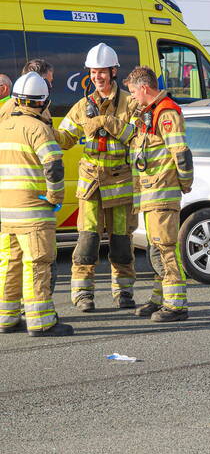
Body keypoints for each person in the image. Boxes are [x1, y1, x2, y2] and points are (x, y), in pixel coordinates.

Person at [53, 43, 139, 312]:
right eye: (93, 72)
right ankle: (82, 295)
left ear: (114, 72)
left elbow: (138, 139)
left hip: (121, 184)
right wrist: (45, 128)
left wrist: (109, 123)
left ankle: (123, 293)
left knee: (122, 243)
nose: (97, 77)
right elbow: (65, 139)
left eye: (102, 72)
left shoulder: (130, 103)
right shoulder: (81, 106)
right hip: (91, 185)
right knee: (87, 242)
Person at [0, 72, 72, 337]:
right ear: (42, 101)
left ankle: (6, 318)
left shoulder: (3, 125)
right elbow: (54, 167)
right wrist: (55, 198)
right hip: (33, 213)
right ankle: (42, 322)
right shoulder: (38, 128)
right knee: (37, 265)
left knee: (9, 264)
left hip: (6, 214)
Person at [123, 67, 192, 322]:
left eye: (133, 92)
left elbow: (180, 153)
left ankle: (176, 305)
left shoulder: (166, 112)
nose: (131, 98)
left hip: (163, 193)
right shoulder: (149, 113)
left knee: (165, 249)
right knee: (156, 250)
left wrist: (183, 184)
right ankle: (159, 299)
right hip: (152, 195)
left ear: (144, 88)